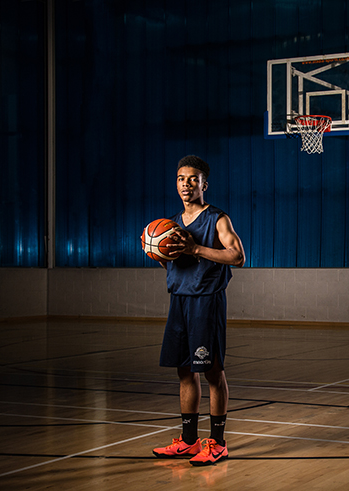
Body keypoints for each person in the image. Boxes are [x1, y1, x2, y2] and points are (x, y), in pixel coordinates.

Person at [152, 155, 245, 466]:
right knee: (184, 371)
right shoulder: (172, 224)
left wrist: (195, 249)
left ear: (205, 184)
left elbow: (237, 256)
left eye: (193, 178)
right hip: (179, 299)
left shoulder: (218, 218)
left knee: (211, 371)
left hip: (207, 301)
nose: (186, 184)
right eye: (181, 178)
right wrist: (159, 253)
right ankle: (189, 441)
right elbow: (175, 262)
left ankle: (217, 443)